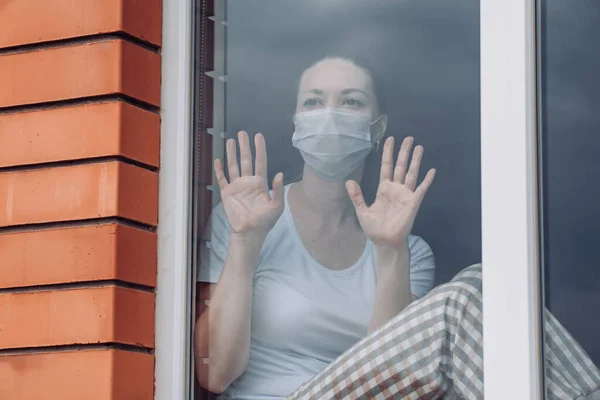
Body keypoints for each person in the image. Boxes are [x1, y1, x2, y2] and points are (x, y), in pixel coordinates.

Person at [194, 57, 600, 399]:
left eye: (350, 101)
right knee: (463, 298)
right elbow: (214, 375)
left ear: (377, 127)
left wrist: (390, 250)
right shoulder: (246, 218)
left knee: (484, 294)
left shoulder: (412, 250)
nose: (330, 115)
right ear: (296, 123)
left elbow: (396, 373)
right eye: (314, 102)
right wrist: (245, 241)